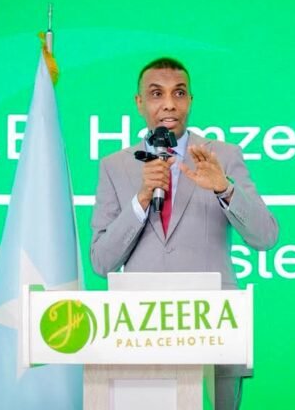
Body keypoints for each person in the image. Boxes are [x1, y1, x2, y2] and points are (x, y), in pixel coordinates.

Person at [90, 57, 278, 409]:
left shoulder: (222, 156)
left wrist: (224, 188)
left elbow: (265, 236)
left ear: (190, 100)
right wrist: (141, 199)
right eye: (156, 94)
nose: (169, 104)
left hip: (215, 331)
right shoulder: (114, 166)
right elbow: (101, 262)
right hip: (140, 334)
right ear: (139, 103)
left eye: (178, 93)